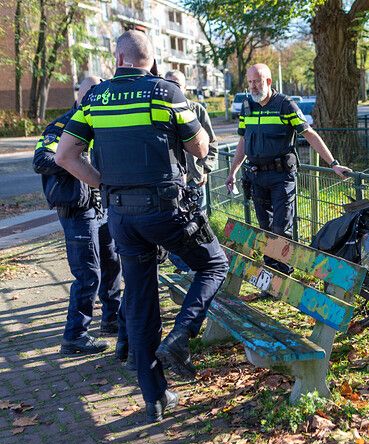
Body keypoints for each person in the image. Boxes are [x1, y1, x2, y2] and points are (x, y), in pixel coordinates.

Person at [55, 30, 228, 423]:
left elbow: (66, 155)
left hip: (121, 218)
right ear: (151, 60)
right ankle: (182, 336)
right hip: (167, 211)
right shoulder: (165, 92)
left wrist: (105, 185)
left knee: (139, 296)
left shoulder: (95, 98)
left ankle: (155, 397)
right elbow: (200, 148)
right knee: (214, 265)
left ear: (116, 58)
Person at [224, 63, 350, 274]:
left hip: (281, 176)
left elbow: (309, 134)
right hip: (256, 176)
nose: (253, 86)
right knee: (265, 229)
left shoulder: (285, 104)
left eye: (258, 81)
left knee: (281, 228)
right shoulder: (247, 106)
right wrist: (233, 171)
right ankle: (270, 277)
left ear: (269, 81)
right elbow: (243, 141)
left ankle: (284, 275)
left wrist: (333, 164)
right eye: (250, 82)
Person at [33, 76, 122, 356]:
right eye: (90, 93)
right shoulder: (62, 125)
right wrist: (75, 158)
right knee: (88, 274)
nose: (95, 98)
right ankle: (75, 336)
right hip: (76, 210)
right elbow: (41, 160)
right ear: (79, 94)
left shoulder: (101, 121)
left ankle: (111, 320)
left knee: (112, 266)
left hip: (102, 207)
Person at [163, 69, 217, 272]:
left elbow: (211, 144)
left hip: (194, 181)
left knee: (197, 224)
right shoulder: (159, 113)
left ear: (185, 88)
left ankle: (200, 266)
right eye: (169, 83)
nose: (173, 87)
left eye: (177, 84)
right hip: (171, 182)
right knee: (174, 225)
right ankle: (181, 266)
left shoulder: (197, 110)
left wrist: (204, 169)